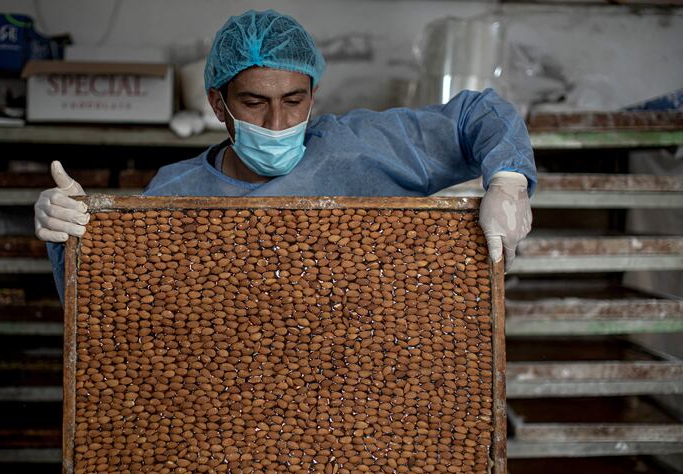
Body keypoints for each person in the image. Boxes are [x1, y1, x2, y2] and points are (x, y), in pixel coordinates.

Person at [35, 10, 535, 299]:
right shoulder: (174, 193)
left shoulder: (365, 148)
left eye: (293, 102)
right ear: (218, 105)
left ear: (313, 95)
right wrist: (75, 239)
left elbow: (479, 116)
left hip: (362, 402)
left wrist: (509, 180)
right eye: (254, 103)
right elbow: (112, 312)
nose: (277, 123)